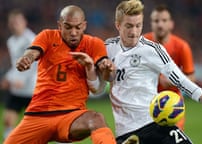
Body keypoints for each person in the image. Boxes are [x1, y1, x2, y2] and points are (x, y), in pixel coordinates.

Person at [105, 0, 202, 144]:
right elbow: (96, 88)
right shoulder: (107, 49)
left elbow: (181, 80)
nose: (134, 32)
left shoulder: (152, 50)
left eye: (138, 25)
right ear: (118, 25)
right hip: (125, 132)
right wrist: (102, 73)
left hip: (154, 124)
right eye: (129, 26)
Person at [4, 5, 116, 144]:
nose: (73, 32)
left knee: (96, 119)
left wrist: (108, 67)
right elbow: (33, 51)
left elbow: (106, 72)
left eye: (78, 27)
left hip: (71, 116)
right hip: (38, 115)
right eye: (68, 27)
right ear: (59, 25)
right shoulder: (47, 36)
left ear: (84, 25)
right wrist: (27, 59)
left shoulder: (94, 44)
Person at [144, 4, 195, 130]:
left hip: (171, 103)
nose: (160, 24)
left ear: (171, 24)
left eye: (164, 20)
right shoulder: (142, 43)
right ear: (151, 24)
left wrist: (174, 81)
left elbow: (191, 77)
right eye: (156, 21)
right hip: (145, 101)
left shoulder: (182, 47)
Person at [0, 9, 37, 140]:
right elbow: (15, 64)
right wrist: (8, 78)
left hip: (32, 90)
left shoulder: (31, 39)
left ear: (24, 22)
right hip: (17, 89)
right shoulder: (11, 41)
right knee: (8, 121)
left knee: (37, 127)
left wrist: (23, 80)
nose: (14, 25)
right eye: (12, 22)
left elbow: (35, 65)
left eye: (17, 21)